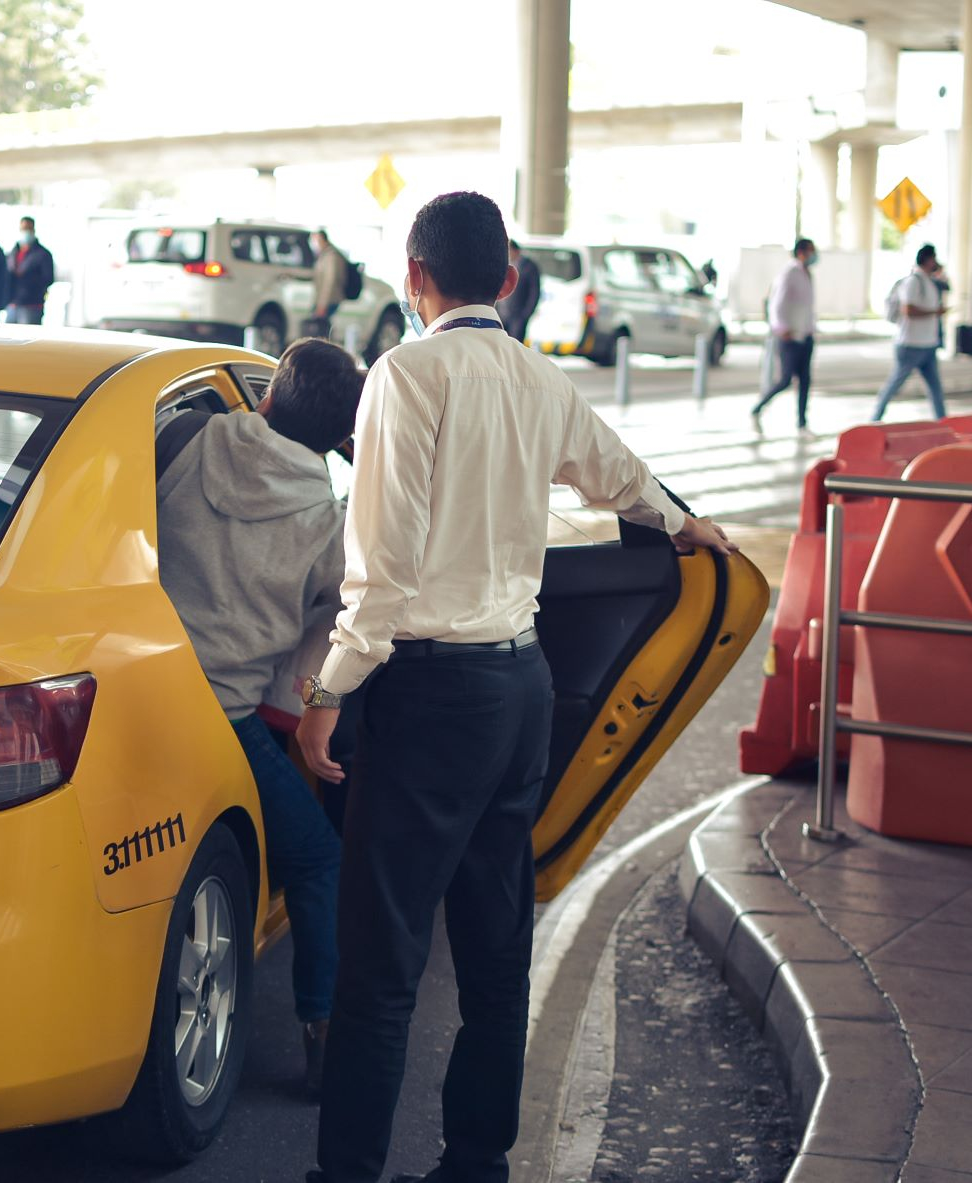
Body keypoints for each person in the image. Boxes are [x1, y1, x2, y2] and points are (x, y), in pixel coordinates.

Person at [294, 191, 734, 1183]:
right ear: (505, 281)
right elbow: (616, 474)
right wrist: (681, 524)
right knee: (495, 952)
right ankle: (474, 1162)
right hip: (521, 692)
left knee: (381, 966)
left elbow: (384, 563)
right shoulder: (537, 378)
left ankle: (349, 1172)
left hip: (425, 697)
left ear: (413, 279)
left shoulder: (405, 375)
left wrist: (331, 688)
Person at [155, 337, 364, 1097]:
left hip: (139, 693)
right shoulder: (328, 524)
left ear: (268, 395)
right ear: (342, 440)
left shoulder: (182, 438)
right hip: (226, 718)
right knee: (315, 859)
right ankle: (321, 1035)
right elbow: (348, 614)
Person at [873, 244, 948, 421]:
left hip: (928, 345)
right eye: (934, 258)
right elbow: (909, 310)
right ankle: (875, 418)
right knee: (894, 384)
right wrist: (934, 313)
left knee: (936, 389)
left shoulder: (929, 281)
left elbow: (946, 287)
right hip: (910, 345)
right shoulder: (913, 282)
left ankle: (944, 422)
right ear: (928, 259)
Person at [751, 237, 817, 434]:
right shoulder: (790, 273)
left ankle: (802, 422)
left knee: (805, 380)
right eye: (811, 251)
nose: (814, 255)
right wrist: (781, 328)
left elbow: (805, 306)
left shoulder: (807, 273)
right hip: (789, 336)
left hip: (805, 334)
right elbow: (777, 303)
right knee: (786, 379)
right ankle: (758, 407)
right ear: (801, 252)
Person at [5, 216, 55, 325]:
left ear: (33, 230)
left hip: (32, 306)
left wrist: (28, 278)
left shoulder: (43, 254)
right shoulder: (12, 253)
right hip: (12, 305)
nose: (25, 232)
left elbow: (48, 278)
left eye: (28, 228)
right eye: (23, 229)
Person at [495, 239, 541, 342]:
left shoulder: (529, 266)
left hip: (518, 315)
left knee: (516, 343)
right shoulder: (503, 264)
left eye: (509, 251)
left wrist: (526, 314)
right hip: (502, 314)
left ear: (516, 251)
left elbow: (534, 292)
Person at [310, 230, 349, 337]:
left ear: (322, 239)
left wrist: (322, 305)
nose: (314, 243)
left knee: (323, 330)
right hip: (323, 300)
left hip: (329, 300)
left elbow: (329, 282)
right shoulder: (324, 255)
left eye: (315, 240)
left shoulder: (331, 256)